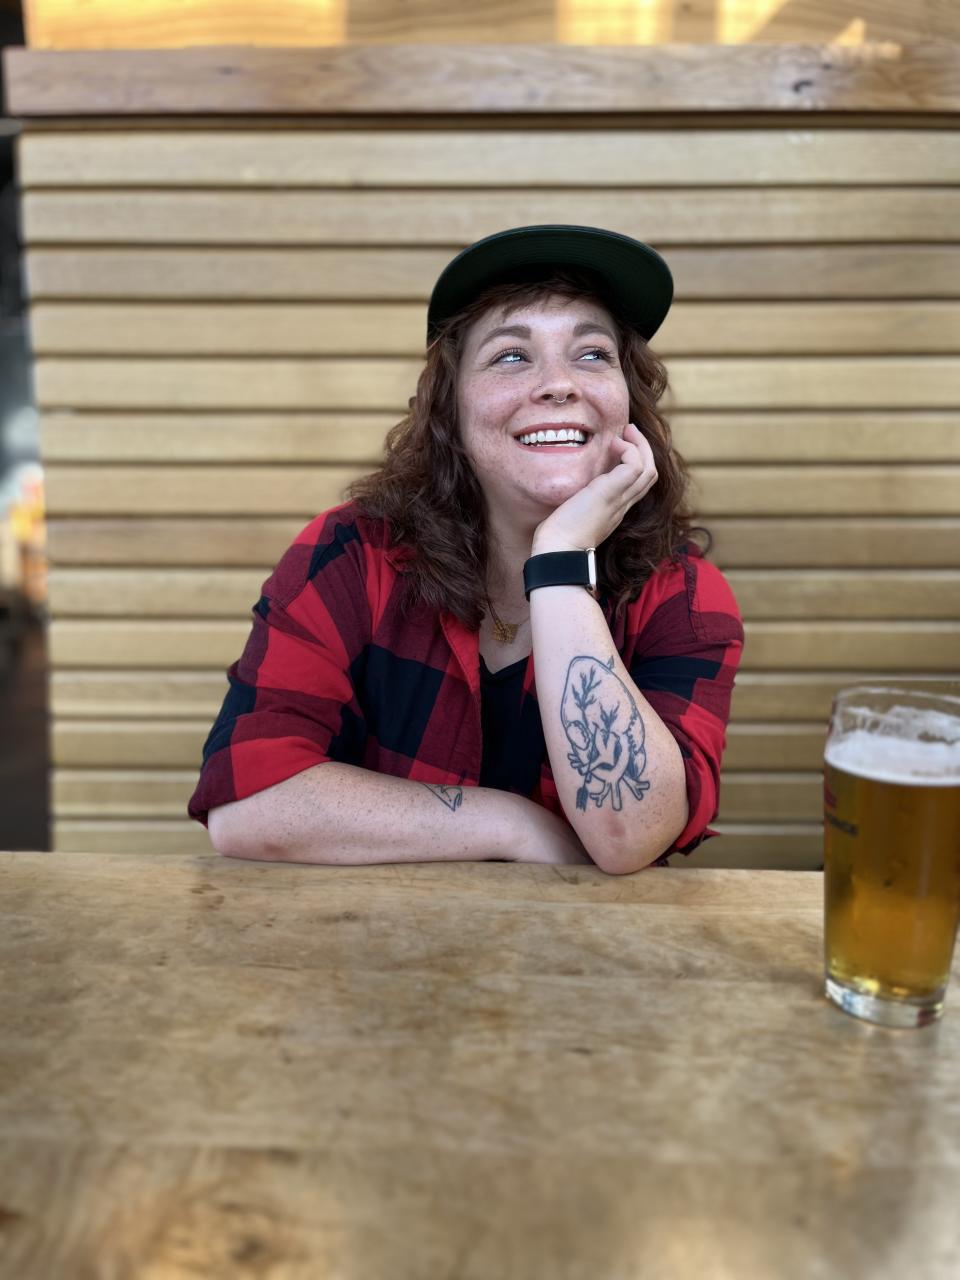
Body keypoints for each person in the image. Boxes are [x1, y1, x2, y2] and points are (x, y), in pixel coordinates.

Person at [188, 225, 743, 874]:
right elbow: (247, 802)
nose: (559, 384)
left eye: (592, 354)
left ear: (629, 404)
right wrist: (510, 824)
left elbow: (629, 834)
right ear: (450, 409)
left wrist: (560, 560)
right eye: (512, 356)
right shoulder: (351, 555)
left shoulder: (684, 595)